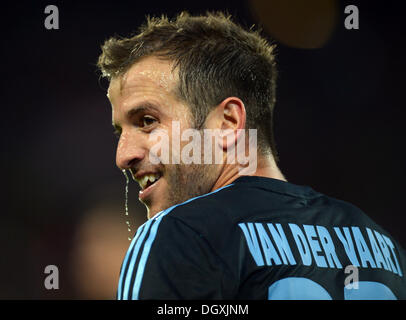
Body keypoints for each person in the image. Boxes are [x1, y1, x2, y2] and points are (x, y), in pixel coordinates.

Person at [97, 12, 406, 299]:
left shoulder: (182, 235)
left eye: (147, 121)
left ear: (228, 122)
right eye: (118, 131)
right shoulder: (382, 245)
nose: (123, 155)